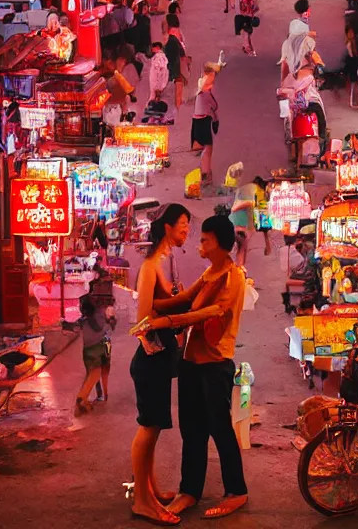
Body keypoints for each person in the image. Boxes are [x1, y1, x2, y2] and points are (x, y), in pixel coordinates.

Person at [129, 206, 222, 526]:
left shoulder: (166, 262)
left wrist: (193, 293)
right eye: (182, 225)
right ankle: (142, 501)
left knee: (153, 430)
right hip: (150, 360)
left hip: (161, 360)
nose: (187, 231)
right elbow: (144, 320)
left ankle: (150, 490)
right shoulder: (151, 265)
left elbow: (163, 305)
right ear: (167, 227)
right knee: (148, 429)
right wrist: (180, 308)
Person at [167, 215, 248, 519]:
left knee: (219, 428)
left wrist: (170, 321)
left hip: (216, 363)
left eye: (204, 239)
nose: (199, 244)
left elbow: (216, 311)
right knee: (191, 429)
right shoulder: (208, 273)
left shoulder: (233, 276)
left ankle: (236, 490)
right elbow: (186, 299)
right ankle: (190, 490)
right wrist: (153, 302)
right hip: (190, 360)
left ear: (219, 244)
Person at [70, 295, 116, 416]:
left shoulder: (83, 320)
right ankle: (80, 400)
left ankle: (85, 400)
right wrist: (110, 321)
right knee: (95, 374)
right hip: (97, 348)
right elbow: (103, 329)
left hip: (87, 349)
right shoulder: (98, 315)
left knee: (91, 374)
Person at [191, 60, 223, 186]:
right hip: (203, 121)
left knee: (204, 147)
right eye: (213, 75)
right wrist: (215, 119)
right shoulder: (204, 89)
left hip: (199, 120)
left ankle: (205, 172)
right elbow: (214, 106)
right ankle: (205, 173)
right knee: (208, 148)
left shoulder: (203, 86)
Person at [164, 14, 186, 111]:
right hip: (174, 66)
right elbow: (182, 52)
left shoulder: (168, 37)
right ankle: (178, 104)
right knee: (179, 80)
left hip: (167, 67)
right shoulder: (173, 38)